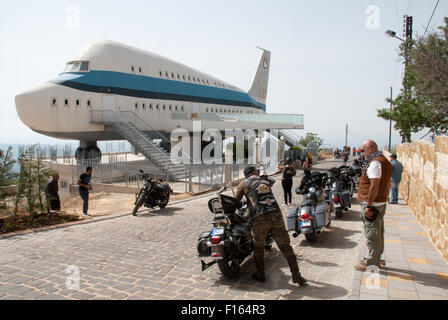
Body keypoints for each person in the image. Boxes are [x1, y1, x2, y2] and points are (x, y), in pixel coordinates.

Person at [234, 166, 307, 285]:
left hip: (260, 218)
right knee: (285, 246)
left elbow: (236, 200)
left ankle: (261, 274)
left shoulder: (244, 183)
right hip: (276, 214)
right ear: (254, 172)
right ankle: (296, 275)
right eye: (257, 171)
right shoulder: (265, 181)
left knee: (258, 247)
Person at [354, 140, 392, 271]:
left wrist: (369, 206)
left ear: (370, 149)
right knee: (379, 231)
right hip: (380, 202)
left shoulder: (375, 163)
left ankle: (372, 262)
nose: (362, 153)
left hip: (373, 204)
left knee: (372, 233)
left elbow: (374, 186)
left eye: (363, 150)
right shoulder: (384, 161)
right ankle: (377, 258)